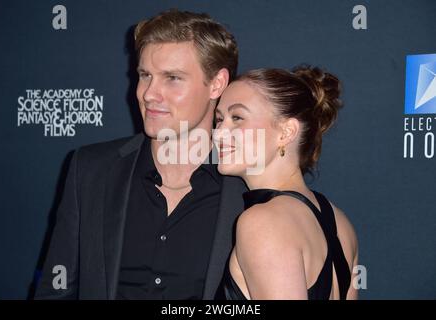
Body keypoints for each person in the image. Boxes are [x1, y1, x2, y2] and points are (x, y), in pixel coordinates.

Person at [35, 9, 247, 299]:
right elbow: (56, 291)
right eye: (145, 75)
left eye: (172, 78)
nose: (148, 93)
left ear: (217, 84)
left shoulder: (249, 188)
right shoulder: (91, 169)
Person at [213, 66, 359, 300]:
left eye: (237, 118)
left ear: (286, 132)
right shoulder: (340, 223)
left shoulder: (262, 221)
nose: (218, 133)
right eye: (219, 120)